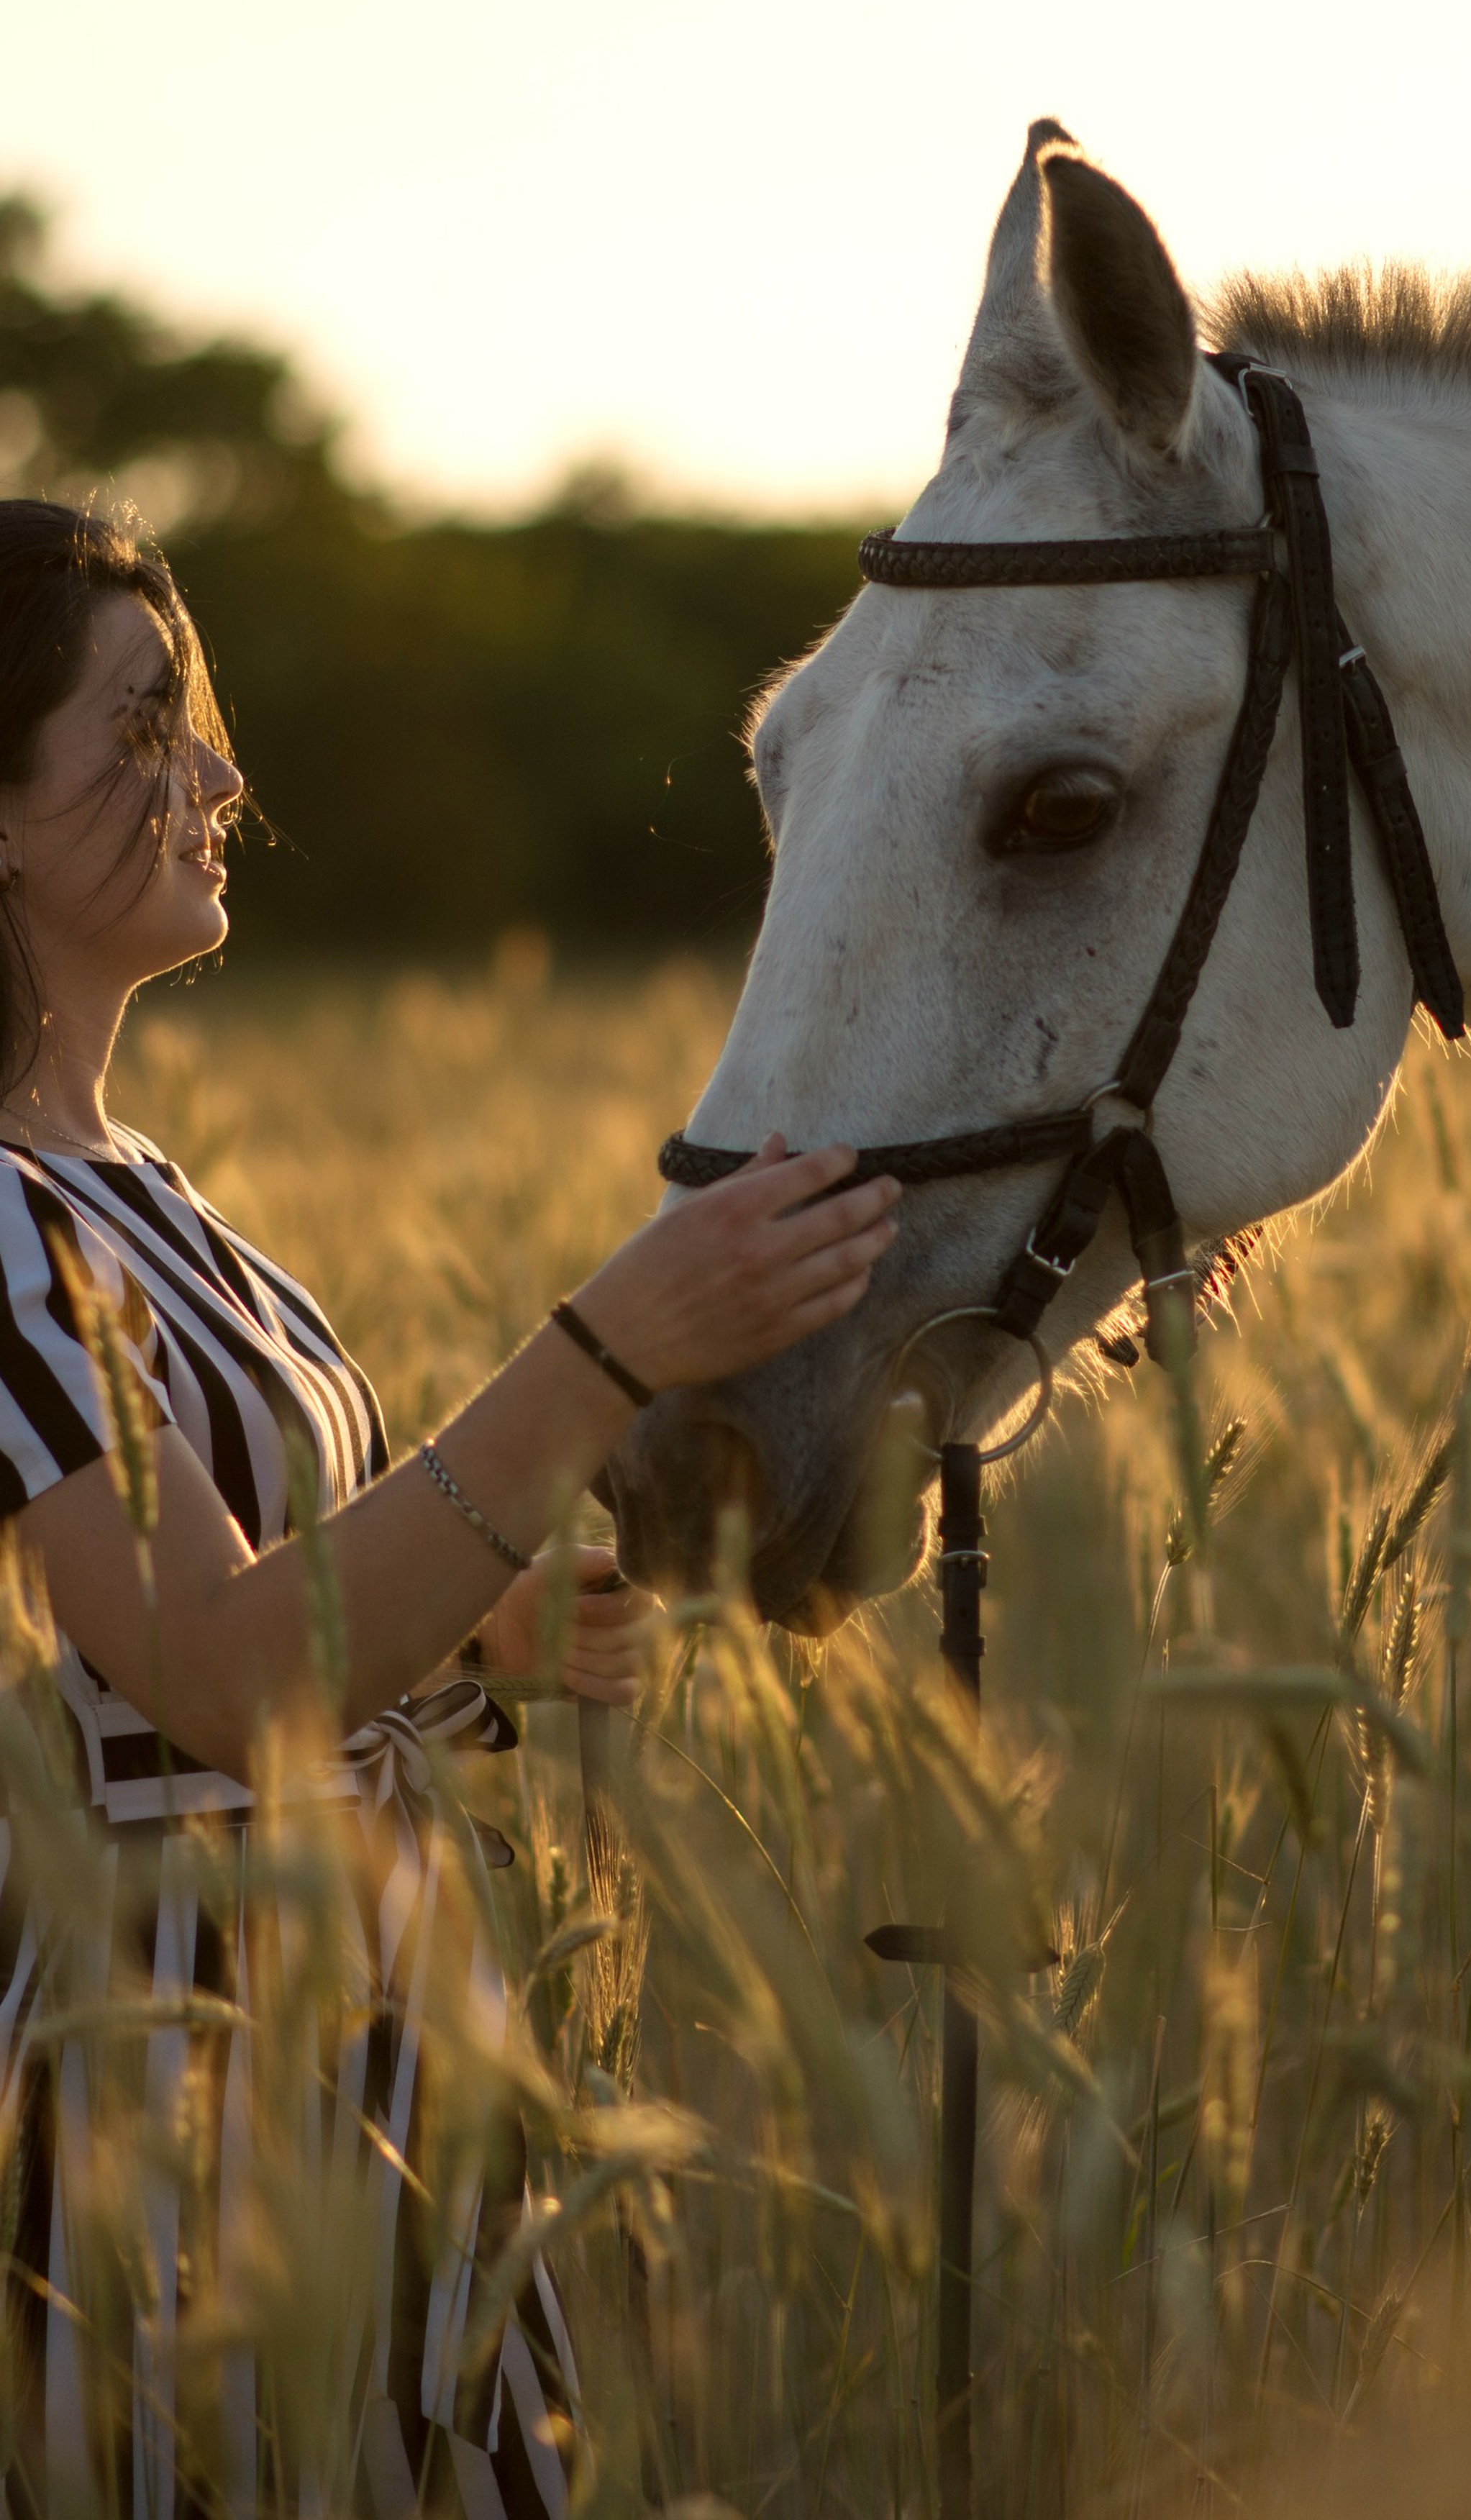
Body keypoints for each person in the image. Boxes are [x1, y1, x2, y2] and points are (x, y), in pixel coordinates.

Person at [0, 502, 900, 2516]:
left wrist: (476, 1638)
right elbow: (228, 1687)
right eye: (146, 731)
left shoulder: (130, 1183)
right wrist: (606, 1354)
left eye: (203, 723)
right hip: (191, 2132)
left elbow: (233, 1637)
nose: (220, 777)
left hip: (373, 2069)